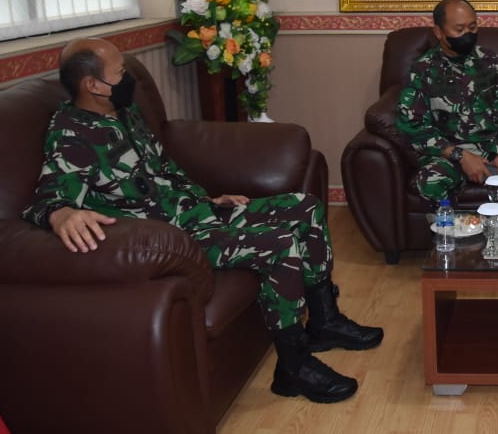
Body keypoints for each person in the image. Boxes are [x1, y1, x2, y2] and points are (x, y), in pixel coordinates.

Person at [23, 38, 383, 404]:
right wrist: (60, 213)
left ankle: (324, 322)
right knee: (279, 244)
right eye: (120, 72)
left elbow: (165, 171)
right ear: (94, 85)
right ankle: (293, 368)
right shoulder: (72, 133)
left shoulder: (125, 112)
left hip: (196, 212)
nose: (128, 77)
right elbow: (50, 195)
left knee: (305, 207)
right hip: (173, 238)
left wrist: (207, 198)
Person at [396, 0, 498, 205]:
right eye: (459, 29)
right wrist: (460, 155)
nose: (468, 34)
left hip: (494, 148)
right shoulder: (422, 69)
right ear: (438, 32)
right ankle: (462, 225)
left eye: (472, 27)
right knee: (431, 182)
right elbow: (412, 127)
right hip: (449, 155)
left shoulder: (490, 60)